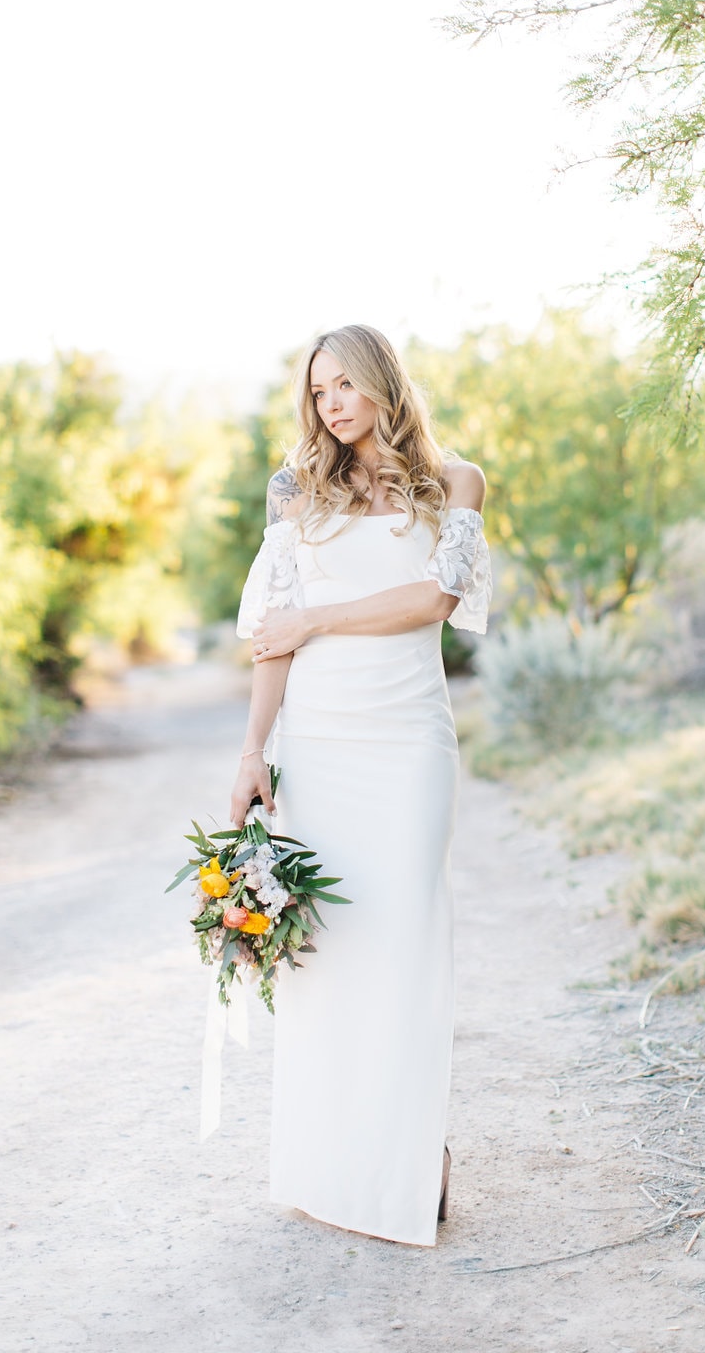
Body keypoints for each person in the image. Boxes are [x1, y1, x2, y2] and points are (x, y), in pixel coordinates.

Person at [229, 323, 491, 1247]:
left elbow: (436, 600)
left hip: (409, 742)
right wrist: (255, 750)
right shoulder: (294, 490)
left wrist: (319, 617)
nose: (332, 403)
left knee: (407, 943)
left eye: (346, 384)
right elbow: (271, 636)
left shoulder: (453, 483)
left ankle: (415, 1158)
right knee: (331, 956)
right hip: (324, 741)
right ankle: (333, 1165)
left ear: (384, 382)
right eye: (318, 390)